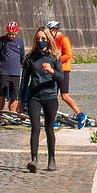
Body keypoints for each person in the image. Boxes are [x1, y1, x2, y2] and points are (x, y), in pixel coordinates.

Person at [20, 33, 63, 173]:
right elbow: (24, 81)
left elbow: (61, 77)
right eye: (38, 39)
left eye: (43, 39)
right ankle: (34, 160)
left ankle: (52, 159)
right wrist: (20, 100)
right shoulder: (30, 58)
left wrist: (52, 71)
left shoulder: (54, 57)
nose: (40, 41)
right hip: (34, 97)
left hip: (50, 97)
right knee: (35, 127)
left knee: (49, 128)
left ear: (48, 40)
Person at [0, 22, 25, 114]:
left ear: (16, 32)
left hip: (16, 73)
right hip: (4, 71)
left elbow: (22, 57)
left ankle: (11, 113)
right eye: (9, 34)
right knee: (3, 93)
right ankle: (0, 112)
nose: (11, 36)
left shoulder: (20, 42)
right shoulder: (1, 41)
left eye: (13, 34)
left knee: (14, 95)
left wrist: (24, 69)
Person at [46, 20, 74, 97]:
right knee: (53, 92)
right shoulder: (52, 40)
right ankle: (54, 109)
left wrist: (56, 61)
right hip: (55, 69)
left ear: (54, 30)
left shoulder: (63, 39)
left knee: (64, 96)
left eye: (49, 31)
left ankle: (77, 109)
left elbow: (68, 55)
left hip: (64, 69)